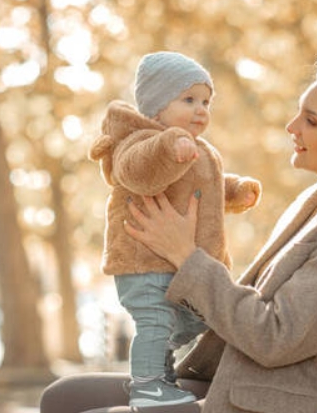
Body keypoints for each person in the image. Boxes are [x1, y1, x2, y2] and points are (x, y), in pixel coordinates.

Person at [40, 57, 317, 413]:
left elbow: (276, 334)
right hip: (248, 384)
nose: (292, 127)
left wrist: (185, 254)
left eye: (311, 121)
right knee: (64, 397)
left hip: (290, 403)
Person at [86, 51, 262, 408]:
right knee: (155, 321)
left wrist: (234, 190)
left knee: (187, 322)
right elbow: (137, 171)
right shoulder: (137, 142)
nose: (201, 110)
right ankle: (148, 386)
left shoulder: (198, 149)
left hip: (177, 265)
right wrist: (169, 149)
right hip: (144, 262)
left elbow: (203, 187)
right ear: (157, 107)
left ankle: (159, 376)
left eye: (206, 102)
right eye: (189, 100)